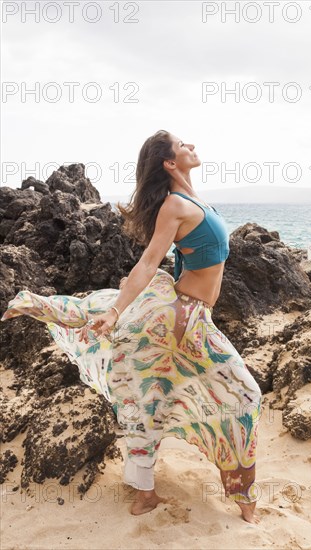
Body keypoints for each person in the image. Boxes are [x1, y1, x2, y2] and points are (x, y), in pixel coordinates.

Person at [1, 130, 262, 524]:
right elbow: (147, 262)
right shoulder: (175, 204)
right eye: (180, 145)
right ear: (170, 164)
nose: (190, 143)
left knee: (151, 396)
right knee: (244, 395)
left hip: (191, 318)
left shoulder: (194, 199)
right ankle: (243, 502)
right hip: (180, 318)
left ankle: (150, 494)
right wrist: (120, 310)